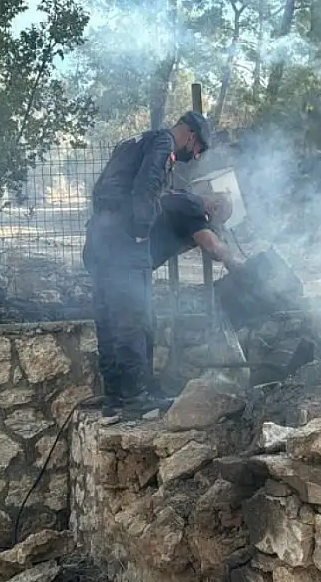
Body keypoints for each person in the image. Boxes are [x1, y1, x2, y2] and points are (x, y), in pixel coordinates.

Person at [83, 112, 211, 415]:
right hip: (126, 240)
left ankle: (115, 396)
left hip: (100, 236)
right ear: (191, 136)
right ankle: (136, 396)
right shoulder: (163, 143)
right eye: (197, 151)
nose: (191, 158)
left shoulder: (134, 141)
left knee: (109, 315)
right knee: (134, 316)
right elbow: (148, 185)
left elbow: (102, 187)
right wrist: (141, 232)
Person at [149, 191, 246, 271]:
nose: (219, 225)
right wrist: (231, 260)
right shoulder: (194, 209)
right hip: (140, 255)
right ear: (215, 208)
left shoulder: (189, 199)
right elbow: (212, 245)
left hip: (142, 254)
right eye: (221, 220)